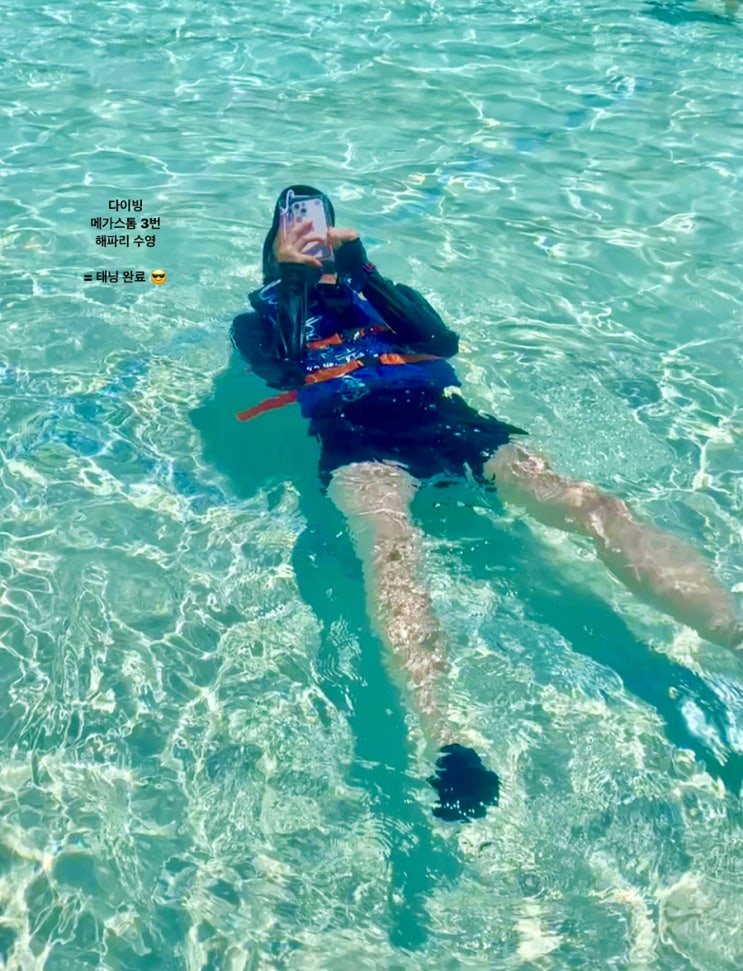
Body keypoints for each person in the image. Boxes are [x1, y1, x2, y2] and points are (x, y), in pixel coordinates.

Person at [231, 184, 742, 822]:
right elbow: (283, 369)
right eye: (298, 232)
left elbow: (438, 343)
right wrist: (292, 281)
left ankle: (734, 633)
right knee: (390, 553)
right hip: (357, 441)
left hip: (449, 422)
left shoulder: (378, 292)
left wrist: (362, 272)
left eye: (321, 233)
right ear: (275, 246)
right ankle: (447, 740)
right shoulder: (258, 319)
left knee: (592, 506)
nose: (314, 243)